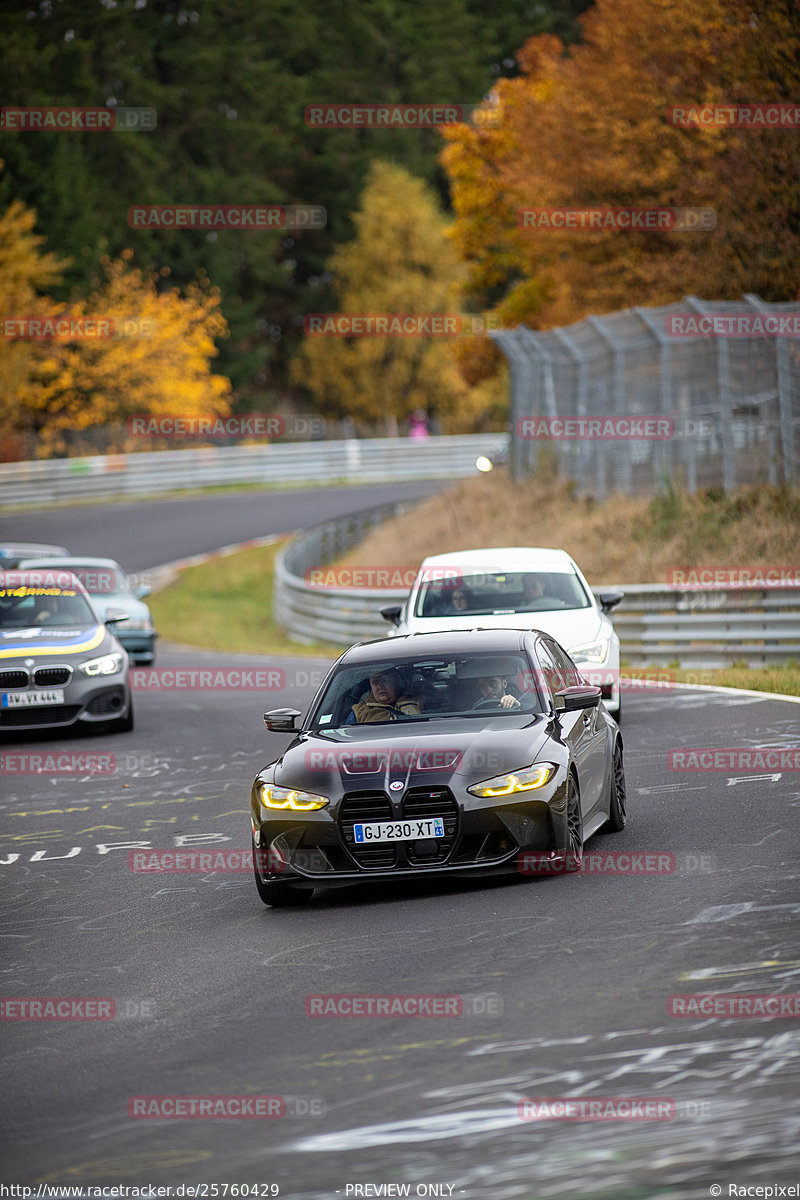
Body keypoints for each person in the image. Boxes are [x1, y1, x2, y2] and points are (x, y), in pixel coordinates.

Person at [347, 667, 424, 723]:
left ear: (396, 682)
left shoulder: (421, 700)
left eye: (384, 680)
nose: (379, 686)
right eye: (374, 682)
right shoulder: (359, 712)